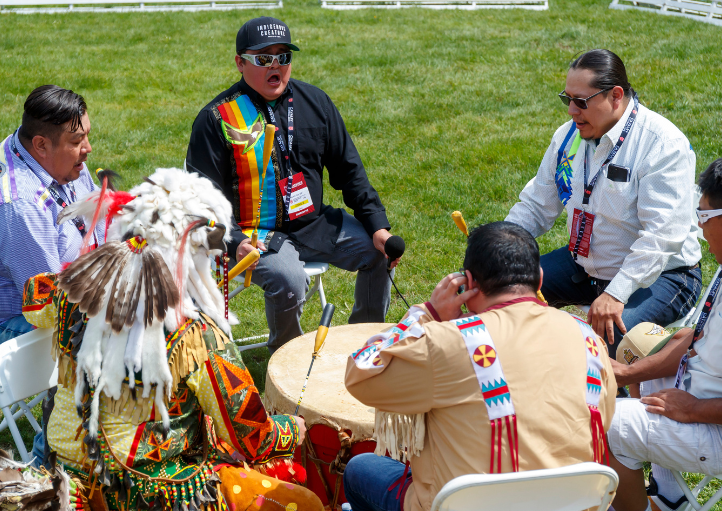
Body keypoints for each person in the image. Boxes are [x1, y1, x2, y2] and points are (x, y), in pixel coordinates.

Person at [27, 167, 322, 510]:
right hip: (150, 495)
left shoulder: (69, 294)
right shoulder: (194, 335)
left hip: (67, 486)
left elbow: (32, 294)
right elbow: (252, 435)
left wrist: (88, 272)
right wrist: (290, 428)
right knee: (302, 502)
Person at [343, 221, 617, 511]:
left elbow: (361, 373)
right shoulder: (588, 339)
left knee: (361, 469)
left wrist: (428, 312)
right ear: (539, 279)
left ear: (469, 283)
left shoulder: (451, 342)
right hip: (570, 503)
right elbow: (603, 421)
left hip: (468, 505)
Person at [186, 17, 398, 352]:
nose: (277, 66)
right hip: (252, 234)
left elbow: (349, 170)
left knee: (378, 253)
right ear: (240, 63)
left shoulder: (316, 103)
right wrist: (234, 242)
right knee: (289, 278)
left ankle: (365, 350)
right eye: (264, 58)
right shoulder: (216, 118)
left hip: (313, 225)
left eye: (284, 57)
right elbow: (198, 203)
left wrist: (378, 227)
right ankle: (286, 366)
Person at [505, 49, 702, 354]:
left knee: (603, 346)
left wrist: (616, 293)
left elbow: (661, 238)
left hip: (662, 275)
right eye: (566, 99)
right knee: (501, 293)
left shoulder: (663, 144)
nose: (571, 110)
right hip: (585, 263)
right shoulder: (567, 136)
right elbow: (536, 205)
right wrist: (495, 249)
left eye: (581, 101)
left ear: (616, 96)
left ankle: (609, 400)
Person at [607, 154, 722, 511]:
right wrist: (628, 373)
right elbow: (700, 337)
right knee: (636, 345)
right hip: (705, 399)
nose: (699, 228)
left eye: (702, 217)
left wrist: (694, 409)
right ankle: (669, 496)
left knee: (606, 421)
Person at [0, 85, 103, 344]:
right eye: (77, 141)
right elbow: (52, 303)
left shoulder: (65, 163)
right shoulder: (20, 206)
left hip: (81, 289)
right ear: (41, 145)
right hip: (22, 324)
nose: (87, 148)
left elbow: (102, 223)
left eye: (86, 136)